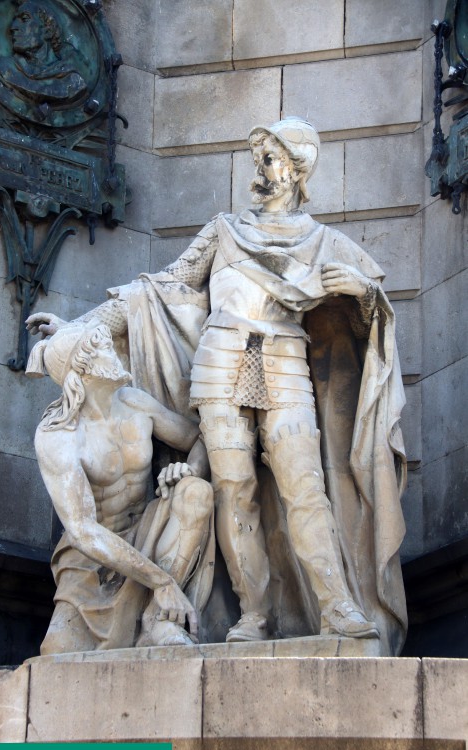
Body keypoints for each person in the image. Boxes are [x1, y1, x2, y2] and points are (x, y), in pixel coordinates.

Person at [28, 117, 408, 656]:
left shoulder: (325, 243)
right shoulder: (223, 231)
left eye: (273, 159)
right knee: (234, 492)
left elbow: (373, 320)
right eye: (260, 158)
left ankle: (336, 605)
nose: (262, 169)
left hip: (283, 361)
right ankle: (254, 612)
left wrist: (365, 294)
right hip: (219, 363)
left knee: (305, 486)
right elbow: (157, 291)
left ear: (298, 171)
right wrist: (80, 330)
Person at [26, 322, 214, 654]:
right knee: (57, 652)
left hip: (149, 534)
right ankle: (157, 596)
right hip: (93, 561)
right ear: (82, 371)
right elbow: (83, 531)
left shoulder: (135, 403)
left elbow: (201, 435)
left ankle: (161, 621)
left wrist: (190, 468)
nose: (113, 351)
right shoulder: (58, 436)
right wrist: (160, 580)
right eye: (103, 349)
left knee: (196, 491)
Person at [0, 0, 86, 104]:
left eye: (24, 19)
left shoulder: (73, 82)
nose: (13, 27)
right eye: (15, 20)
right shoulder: (5, 68)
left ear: (47, 31)